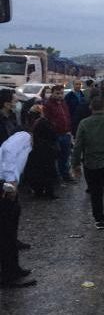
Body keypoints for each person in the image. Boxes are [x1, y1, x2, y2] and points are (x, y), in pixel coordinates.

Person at [71, 96, 104, 240]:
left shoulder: (84, 123)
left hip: (91, 164)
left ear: (91, 108)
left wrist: (75, 164)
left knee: (95, 192)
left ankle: (99, 219)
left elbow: (78, 145)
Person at [0, 89, 36, 288]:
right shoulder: (2, 122)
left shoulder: (10, 118)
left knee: (11, 222)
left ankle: (13, 267)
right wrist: (8, 182)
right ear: (6, 103)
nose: (16, 102)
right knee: (5, 228)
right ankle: (8, 274)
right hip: (4, 180)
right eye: (14, 100)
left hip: (10, 179)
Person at [23, 104, 59, 198]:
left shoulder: (30, 122)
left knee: (37, 172)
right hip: (46, 150)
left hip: (35, 150)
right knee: (47, 172)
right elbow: (53, 135)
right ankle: (49, 193)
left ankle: (38, 192)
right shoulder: (43, 122)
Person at [44, 85, 74, 182]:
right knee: (54, 157)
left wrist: (69, 129)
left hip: (66, 134)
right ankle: (55, 177)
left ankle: (65, 175)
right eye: (57, 93)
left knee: (65, 157)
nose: (60, 95)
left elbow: (67, 116)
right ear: (52, 93)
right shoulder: (48, 105)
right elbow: (47, 120)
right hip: (55, 135)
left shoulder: (63, 103)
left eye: (61, 93)